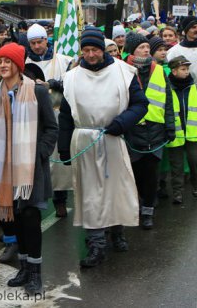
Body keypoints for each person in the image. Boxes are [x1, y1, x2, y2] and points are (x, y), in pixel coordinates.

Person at [58, 28, 149, 268]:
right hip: (84, 139)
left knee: (114, 189)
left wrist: (121, 123)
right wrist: (64, 148)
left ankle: (117, 230)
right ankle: (96, 243)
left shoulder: (123, 72)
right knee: (90, 195)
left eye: (94, 50)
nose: (90, 55)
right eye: (86, 50)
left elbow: (140, 105)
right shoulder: (72, 78)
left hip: (111, 137)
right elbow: (66, 116)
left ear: (102, 48)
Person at [0, 43, 58, 295]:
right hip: (4, 169)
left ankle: (35, 273)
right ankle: (23, 267)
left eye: (7, 61)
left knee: (31, 219)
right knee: (16, 221)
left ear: (18, 65)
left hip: (29, 168)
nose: (2, 65)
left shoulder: (37, 92)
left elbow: (51, 128)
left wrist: (39, 153)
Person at [124, 33, 175, 229]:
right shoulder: (123, 70)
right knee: (137, 173)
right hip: (133, 130)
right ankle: (140, 202)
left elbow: (167, 101)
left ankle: (147, 212)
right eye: (141, 47)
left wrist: (170, 127)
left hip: (155, 129)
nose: (146, 50)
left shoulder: (159, 71)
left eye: (147, 47)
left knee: (151, 172)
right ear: (132, 50)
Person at [25, 23, 72, 218]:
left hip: (59, 114)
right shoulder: (25, 63)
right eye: (33, 43)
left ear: (47, 40)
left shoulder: (63, 60)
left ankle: (60, 200)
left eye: (40, 41)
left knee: (60, 165)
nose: (37, 46)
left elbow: (72, 82)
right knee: (40, 160)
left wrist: (52, 84)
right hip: (36, 118)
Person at [167, 16, 197, 181]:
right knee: (185, 134)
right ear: (185, 30)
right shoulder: (173, 51)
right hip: (181, 96)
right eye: (193, 27)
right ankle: (187, 172)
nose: (196, 29)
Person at [166, 56, 197, 203]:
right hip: (175, 134)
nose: (187, 72)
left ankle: (196, 185)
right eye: (183, 69)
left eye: (187, 69)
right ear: (174, 71)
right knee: (176, 165)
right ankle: (177, 192)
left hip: (192, 133)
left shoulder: (194, 88)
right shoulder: (167, 88)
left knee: (194, 160)